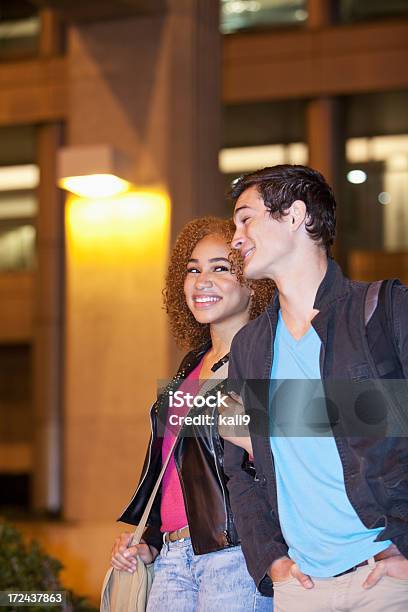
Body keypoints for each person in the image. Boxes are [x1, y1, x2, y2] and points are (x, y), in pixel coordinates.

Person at [224, 164, 408, 612]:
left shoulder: (383, 309)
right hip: (300, 588)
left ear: (295, 215)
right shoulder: (249, 346)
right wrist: (271, 561)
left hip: (385, 578)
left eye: (246, 218)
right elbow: (237, 469)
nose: (235, 238)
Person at [111, 216, 274, 611]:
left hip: (234, 554)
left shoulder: (270, 359)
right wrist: (149, 538)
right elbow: (171, 467)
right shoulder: (190, 365)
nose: (202, 280)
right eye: (193, 270)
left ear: (253, 280)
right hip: (171, 555)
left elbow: (285, 461)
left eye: (220, 268)